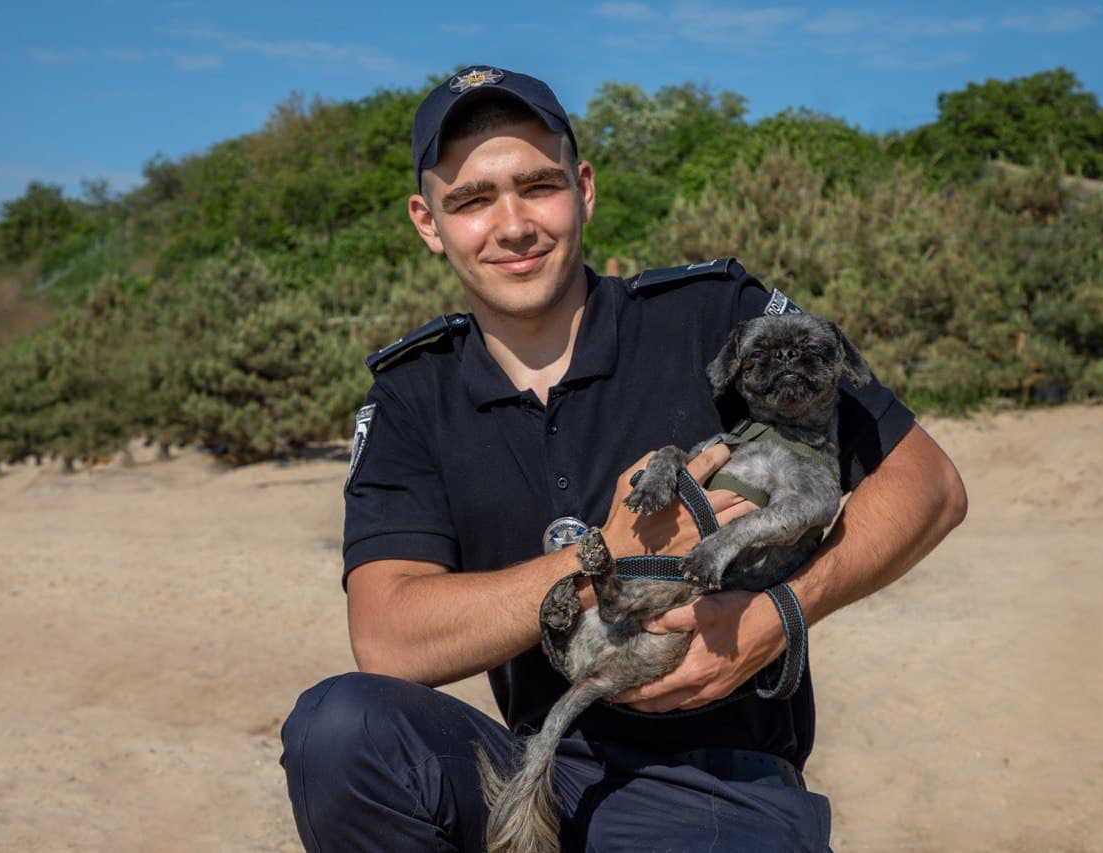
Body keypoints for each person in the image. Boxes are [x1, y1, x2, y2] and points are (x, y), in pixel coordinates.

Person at [280, 65, 967, 852]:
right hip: (533, 765)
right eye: (471, 200)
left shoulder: (713, 316)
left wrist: (778, 615)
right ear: (428, 221)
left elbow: (930, 484)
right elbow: (389, 638)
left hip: (722, 789)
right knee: (341, 729)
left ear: (584, 189)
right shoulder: (410, 394)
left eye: (538, 185)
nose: (512, 225)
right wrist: (597, 557)